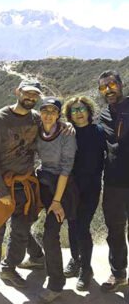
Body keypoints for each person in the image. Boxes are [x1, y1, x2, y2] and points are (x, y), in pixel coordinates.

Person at [0, 78, 45, 300]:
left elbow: (51, 131)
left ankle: (9, 269)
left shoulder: (35, 119)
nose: (30, 98)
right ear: (17, 92)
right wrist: (2, 192)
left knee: (21, 232)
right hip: (3, 187)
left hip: (26, 184)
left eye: (35, 95)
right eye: (27, 93)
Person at [36, 97, 77, 303]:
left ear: (59, 114)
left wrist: (57, 201)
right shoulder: (37, 128)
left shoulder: (67, 134)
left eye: (53, 111)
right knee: (21, 217)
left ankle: (56, 284)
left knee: (50, 234)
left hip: (62, 188)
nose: (49, 115)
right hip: (42, 183)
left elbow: (66, 169)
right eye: (45, 110)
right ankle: (35, 257)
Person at [62, 96, 106, 291]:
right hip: (71, 187)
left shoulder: (99, 131)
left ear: (88, 110)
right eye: (74, 110)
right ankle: (75, 259)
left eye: (81, 109)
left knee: (82, 226)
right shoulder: (67, 133)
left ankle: (86, 269)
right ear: (69, 115)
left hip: (91, 186)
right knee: (72, 224)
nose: (78, 113)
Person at [98, 70, 129, 293]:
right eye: (103, 87)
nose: (108, 90)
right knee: (115, 231)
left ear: (121, 84)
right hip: (114, 183)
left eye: (111, 85)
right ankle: (118, 274)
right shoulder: (103, 116)